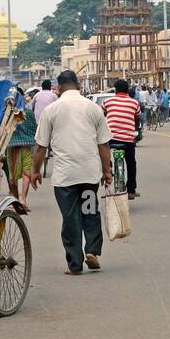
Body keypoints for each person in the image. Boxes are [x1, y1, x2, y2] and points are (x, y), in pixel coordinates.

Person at [31, 70, 113, 275]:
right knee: (89, 211)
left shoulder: (51, 110)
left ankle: (74, 264)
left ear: (58, 88)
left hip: (65, 177)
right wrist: (107, 171)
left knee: (70, 218)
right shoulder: (93, 108)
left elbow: (40, 146)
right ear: (77, 84)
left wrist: (35, 171)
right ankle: (92, 251)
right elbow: (103, 144)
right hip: (89, 174)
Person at [102, 78, 142, 199]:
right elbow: (137, 118)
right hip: (128, 139)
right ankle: (131, 190)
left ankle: (107, 168)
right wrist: (134, 129)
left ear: (115, 90)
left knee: (104, 155)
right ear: (128, 90)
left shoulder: (107, 102)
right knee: (131, 163)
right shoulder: (134, 103)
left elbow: (102, 116)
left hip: (110, 138)